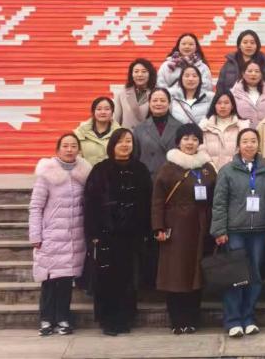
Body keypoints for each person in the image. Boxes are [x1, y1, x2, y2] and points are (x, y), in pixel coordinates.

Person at [83, 128, 152, 336]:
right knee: (106, 278)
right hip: (106, 234)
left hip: (131, 235)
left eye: (128, 141)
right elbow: (90, 204)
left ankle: (125, 318)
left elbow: (147, 203)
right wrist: (93, 234)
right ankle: (108, 320)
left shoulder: (140, 170)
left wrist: (145, 231)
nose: (124, 145)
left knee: (128, 278)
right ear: (112, 145)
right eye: (120, 141)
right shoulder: (100, 170)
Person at [150, 124, 216, 334]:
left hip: (200, 227)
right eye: (186, 138)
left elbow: (215, 199)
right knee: (175, 274)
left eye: (195, 139)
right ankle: (177, 320)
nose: (190, 143)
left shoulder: (207, 168)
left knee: (195, 274)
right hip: (175, 228)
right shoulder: (168, 168)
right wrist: (158, 227)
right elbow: (157, 201)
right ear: (178, 141)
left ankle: (192, 319)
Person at [211, 128, 265, 337]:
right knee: (236, 275)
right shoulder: (227, 171)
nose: (249, 145)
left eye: (253, 141)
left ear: (258, 144)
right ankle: (233, 320)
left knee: (255, 275)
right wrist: (219, 230)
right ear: (238, 145)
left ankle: (249, 318)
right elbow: (219, 202)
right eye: (245, 141)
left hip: (259, 231)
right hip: (235, 231)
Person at [29, 133, 91, 336]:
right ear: (58, 149)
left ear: (79, 149)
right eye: (65, 146)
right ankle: (46, 319)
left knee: (65, 280)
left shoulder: (84, 173)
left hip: (74, 236)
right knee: (48, 280)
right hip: (51, 236)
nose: (69, 149)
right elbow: (36, 206)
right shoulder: (47, 174)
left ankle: (63, 318)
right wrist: (35, 235)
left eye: (73, 146)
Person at [135, 88, 183, 178]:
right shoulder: (139, 129)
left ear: (169, 103)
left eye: (162, 100)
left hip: (173, 178)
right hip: (147, 178)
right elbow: (135, 157)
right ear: (149, 103)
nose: (158, 103)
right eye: (155, 100)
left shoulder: (180, 127)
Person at [201, 92, 249, 172]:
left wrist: (229, 169)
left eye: (226, 103)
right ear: (214, 106)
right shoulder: (205, 126)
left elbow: (244, 150)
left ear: (232, 106)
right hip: (210, 172)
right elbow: (201, 150)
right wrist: (212, 168)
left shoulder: (242, 127)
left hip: (236, 171)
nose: (222, 106)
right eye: (219, 103)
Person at [216, 30, 265, 94]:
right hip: (232, 98)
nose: (249, 45)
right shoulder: (230, 63)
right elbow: (220, 86)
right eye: (245, 42)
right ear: (239, 45)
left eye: (252, 43)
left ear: (257, 45)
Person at [73, 96, 122, 166]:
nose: (103, 112)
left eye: (107, 109)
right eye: (99, 109)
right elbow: (76, 158)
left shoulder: (120, 133)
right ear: (93, 112)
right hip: (86, 172)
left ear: (112, 112)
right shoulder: (80, 132)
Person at [114, 58, 157, 130]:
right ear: (131, 74)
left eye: (144, 71)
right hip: (127, 135)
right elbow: (116, 121)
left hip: (149, 135)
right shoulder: (122, 94)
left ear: (150, 74)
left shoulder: (156, 93)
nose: (140, 75)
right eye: (136, 71)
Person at [231, 60, 265, 129]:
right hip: (242, 131)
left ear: (261, 74)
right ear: (243, 74)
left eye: (257, 71)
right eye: (250, 71)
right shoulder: (234, 93)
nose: (253, 74)